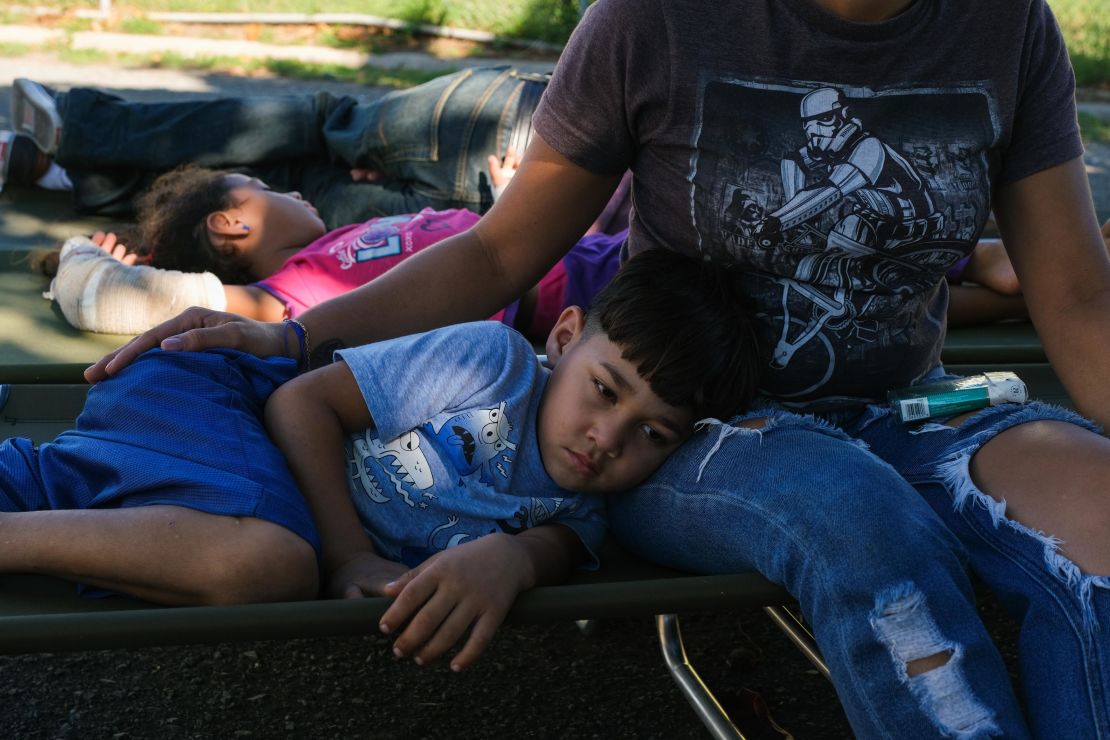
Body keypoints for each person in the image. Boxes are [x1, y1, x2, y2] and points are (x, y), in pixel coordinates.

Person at [86, 1, 1110, 736]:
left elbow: (1074, 297)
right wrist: (297, 336)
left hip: (903, 408)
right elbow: (497, 251)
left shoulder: (1007, 26)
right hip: (694, 426)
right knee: (862, 522)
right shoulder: (653, 22)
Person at [1, 247, 762, 669]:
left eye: (653, 434)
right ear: (562, 339)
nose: (609, 438)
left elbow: (554, 547)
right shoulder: (492, 363)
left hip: (222, 482)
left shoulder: (587, 507)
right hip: (218, 395)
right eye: (604, 390)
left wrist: (514, 562)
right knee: (267, 567)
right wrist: (346, 555)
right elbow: (301, 403)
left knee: (60, 489)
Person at [46, 162, 623, 337]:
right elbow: (107, 300)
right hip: (593, 298)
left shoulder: (330, 248)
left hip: (586, 250)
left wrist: (519, 202)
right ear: (229, 225)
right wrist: (79, 254)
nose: (294, 191)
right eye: (268, 190)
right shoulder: (284, 296)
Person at [1, 68, 549, 226]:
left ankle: (80, 163)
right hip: (514, 142)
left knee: (293, 199)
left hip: (504, 198)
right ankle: (76, 148)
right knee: (317, 142)